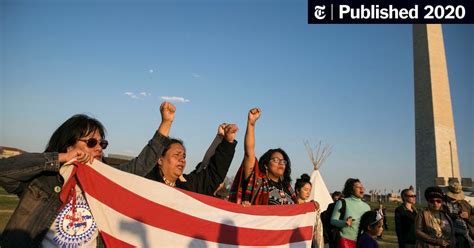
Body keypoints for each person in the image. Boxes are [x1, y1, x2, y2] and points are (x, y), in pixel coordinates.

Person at [0, 102, 176, 247]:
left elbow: (140, 165)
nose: (99, 148)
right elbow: (5, 171)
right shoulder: (44, 177)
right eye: (91, 142)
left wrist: (165, 124)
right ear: (68, 145)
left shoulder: (106, 178)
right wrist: (61, 158)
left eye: (102, 143)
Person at [146, 120, 238, 196]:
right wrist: (166, 121)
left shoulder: (189, 186)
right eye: (177, 155)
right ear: (160, 159)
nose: (182, 159)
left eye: (184, 156)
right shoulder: (144, 182)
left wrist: (227, 143)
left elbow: (212, 175)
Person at [229, 108, 297, 206]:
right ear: (266, 164)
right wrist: (251, 124)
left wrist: (310, 207)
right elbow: (249, 153)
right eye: (276, 160)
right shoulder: (257, 181)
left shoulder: (289, 189)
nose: (280, 163)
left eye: (283, 161)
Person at [330, 178, 370, 248]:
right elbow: (333, 221)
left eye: (362, 187)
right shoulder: (342, 203)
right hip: (345, 242)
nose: (362, 189)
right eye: (358, 187)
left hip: (362, 243)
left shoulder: (367, 207)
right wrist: (344, 223)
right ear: (351, 189)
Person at [443, 182, 474, 248]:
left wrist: (468, 217)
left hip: (466, 236)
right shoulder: (438, 203)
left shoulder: (465, 204)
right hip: (446, 235)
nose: (454, 198)